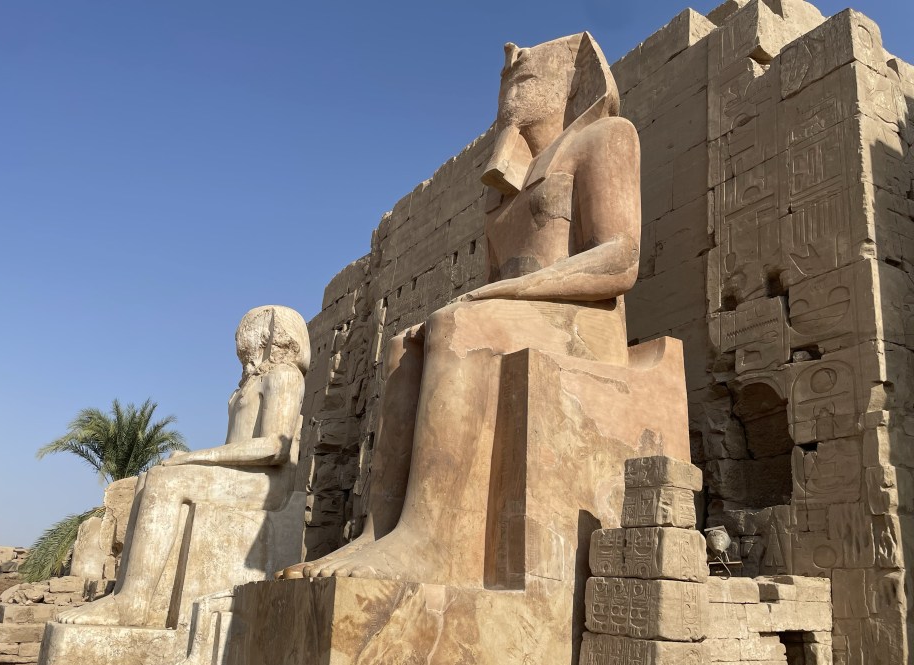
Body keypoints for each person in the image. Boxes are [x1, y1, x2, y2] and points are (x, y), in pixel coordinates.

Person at [279, 33, 640, 586]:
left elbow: (621, 258)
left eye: (526, 75)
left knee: (455, 324)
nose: (512, 70)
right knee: (403, 345)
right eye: (507, 81)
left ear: (572, 81)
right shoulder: (504, 188)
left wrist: (511, 293)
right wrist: (498, 295)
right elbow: (494, 281)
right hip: (522, 314)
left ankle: (430, 540)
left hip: (585, 319)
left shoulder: (606, 137)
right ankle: (381, 531)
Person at [61, 305, 309, 627]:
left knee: (168, 483)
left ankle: (133, 602)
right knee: (150, 477)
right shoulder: (246, 386)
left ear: (267, 334)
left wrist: (195, 457)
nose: (240, 340)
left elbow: (276, 447)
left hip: (268, 483)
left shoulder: (284, 376)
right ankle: (126, 592)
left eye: (247, 330)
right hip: (244, 476)